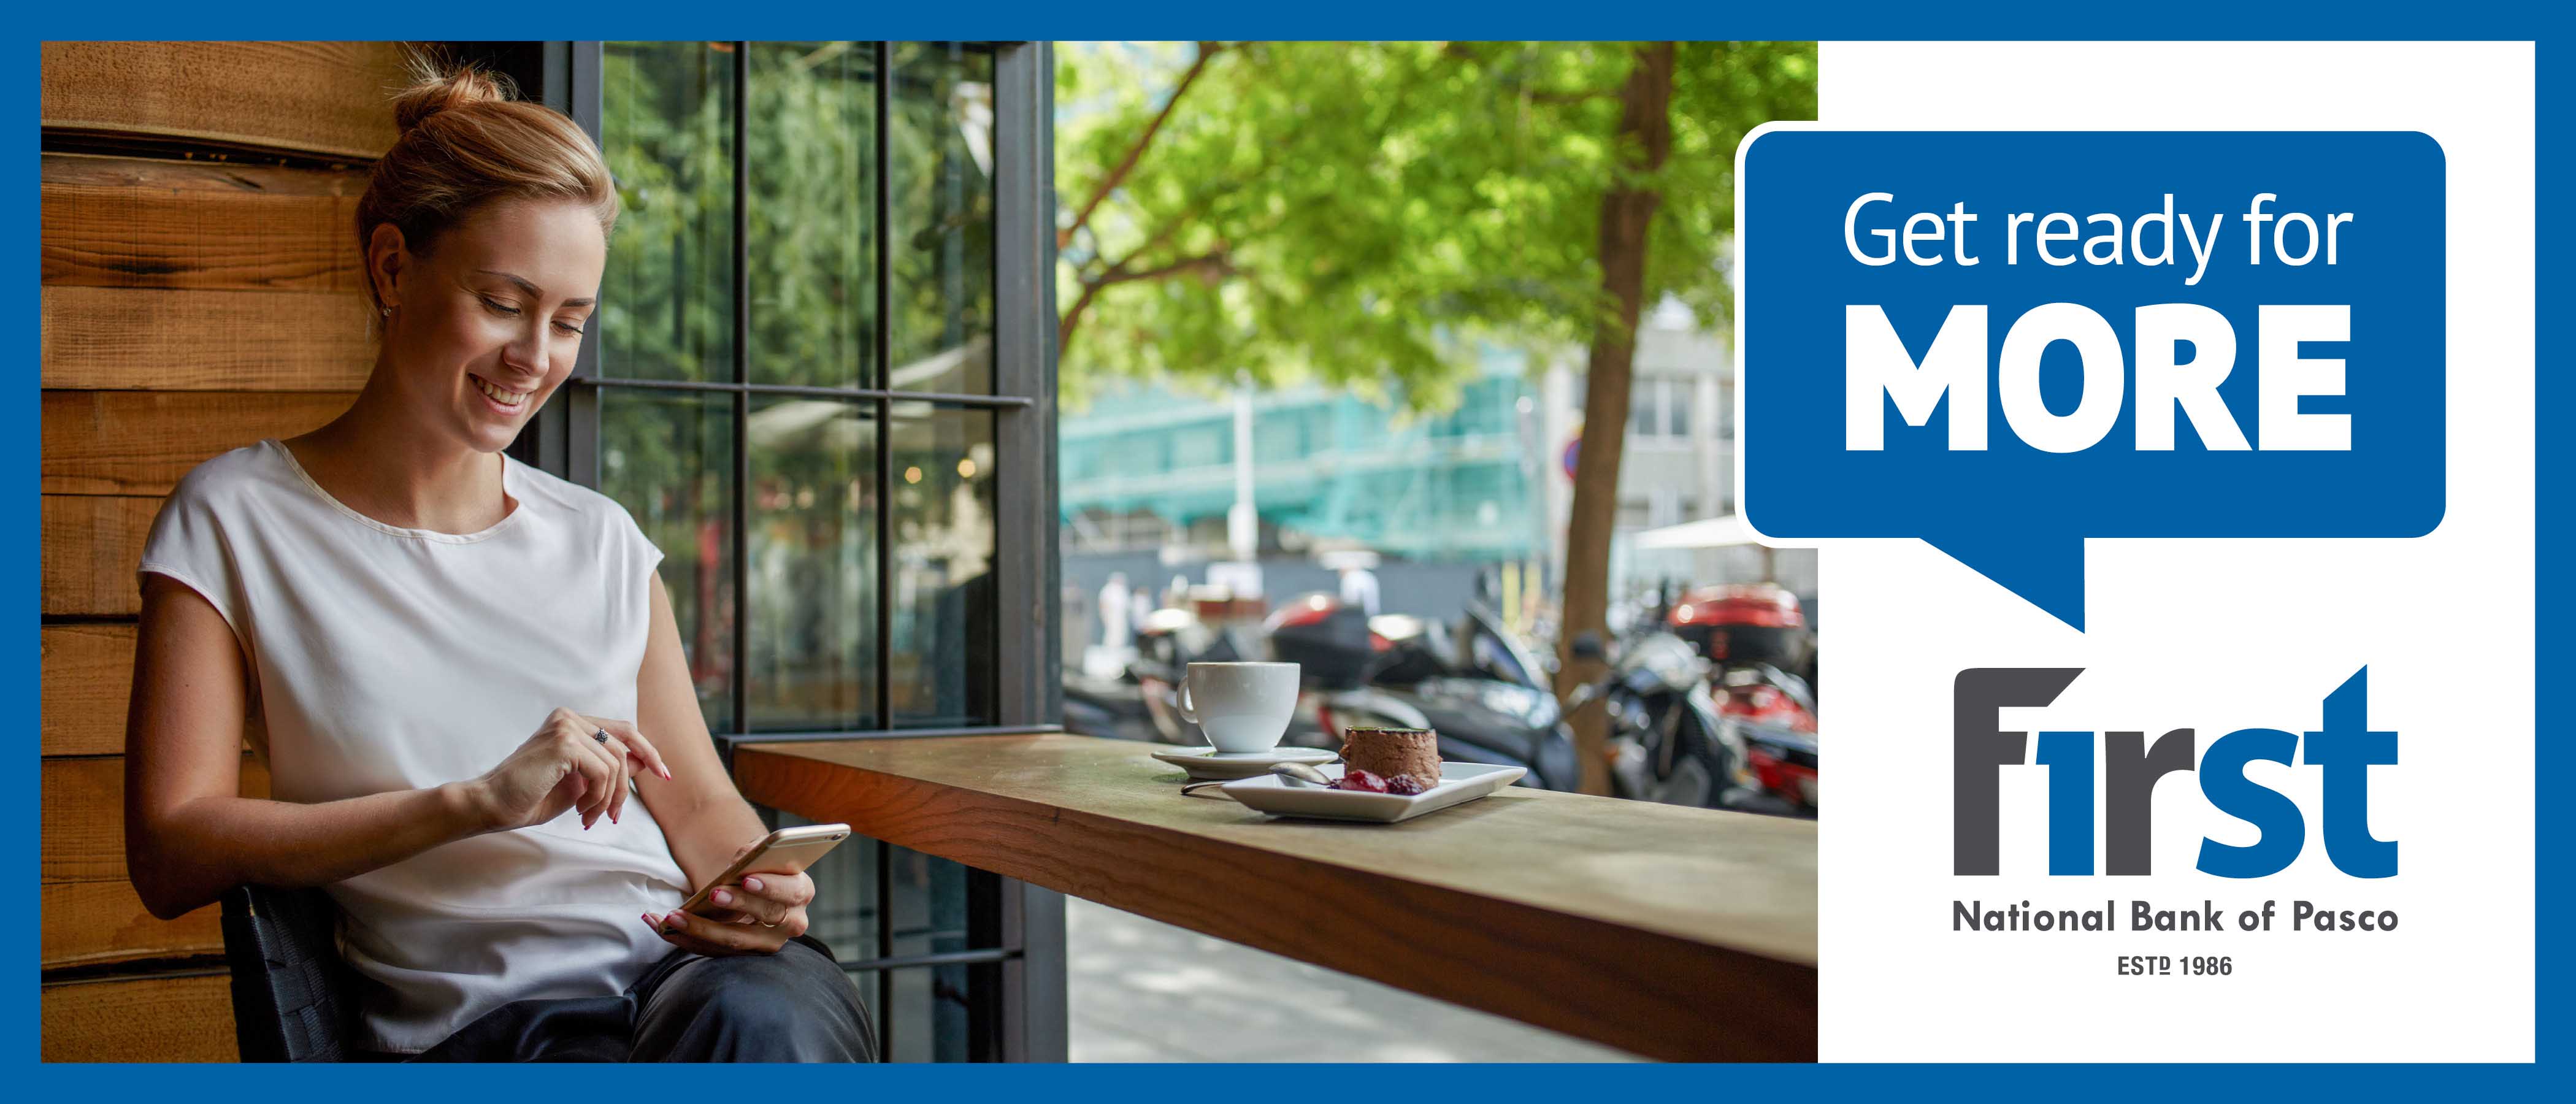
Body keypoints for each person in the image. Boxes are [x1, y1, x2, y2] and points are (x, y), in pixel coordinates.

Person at [122, 57, 872, 1062]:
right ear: (393, 269)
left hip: (691, 986)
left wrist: (756, 886)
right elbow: (170, 850)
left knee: (765, 1012)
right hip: (487, 1028)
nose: (537, 357)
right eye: (503, 301)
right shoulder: (238, 521)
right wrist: (476, 801)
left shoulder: (602, 540)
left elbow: (695, 802)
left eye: (569, 321)